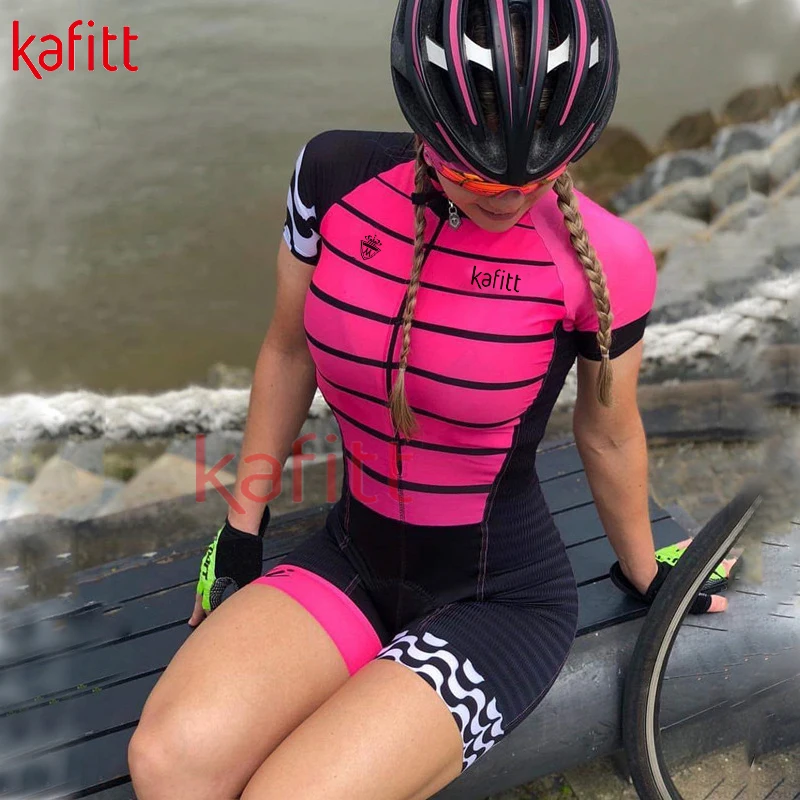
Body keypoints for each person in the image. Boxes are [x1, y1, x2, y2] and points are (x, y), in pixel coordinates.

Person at [127, 1, 736, 798]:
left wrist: (648, 572)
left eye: (538, 178)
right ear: (425, 124)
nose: (508, 199)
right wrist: (244, 525)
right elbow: (286, 350)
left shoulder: (608, 257)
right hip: (353, 556)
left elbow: (609, 432)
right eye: (477, 176)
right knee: (168, 763)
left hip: (499, 600)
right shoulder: (332, 177)